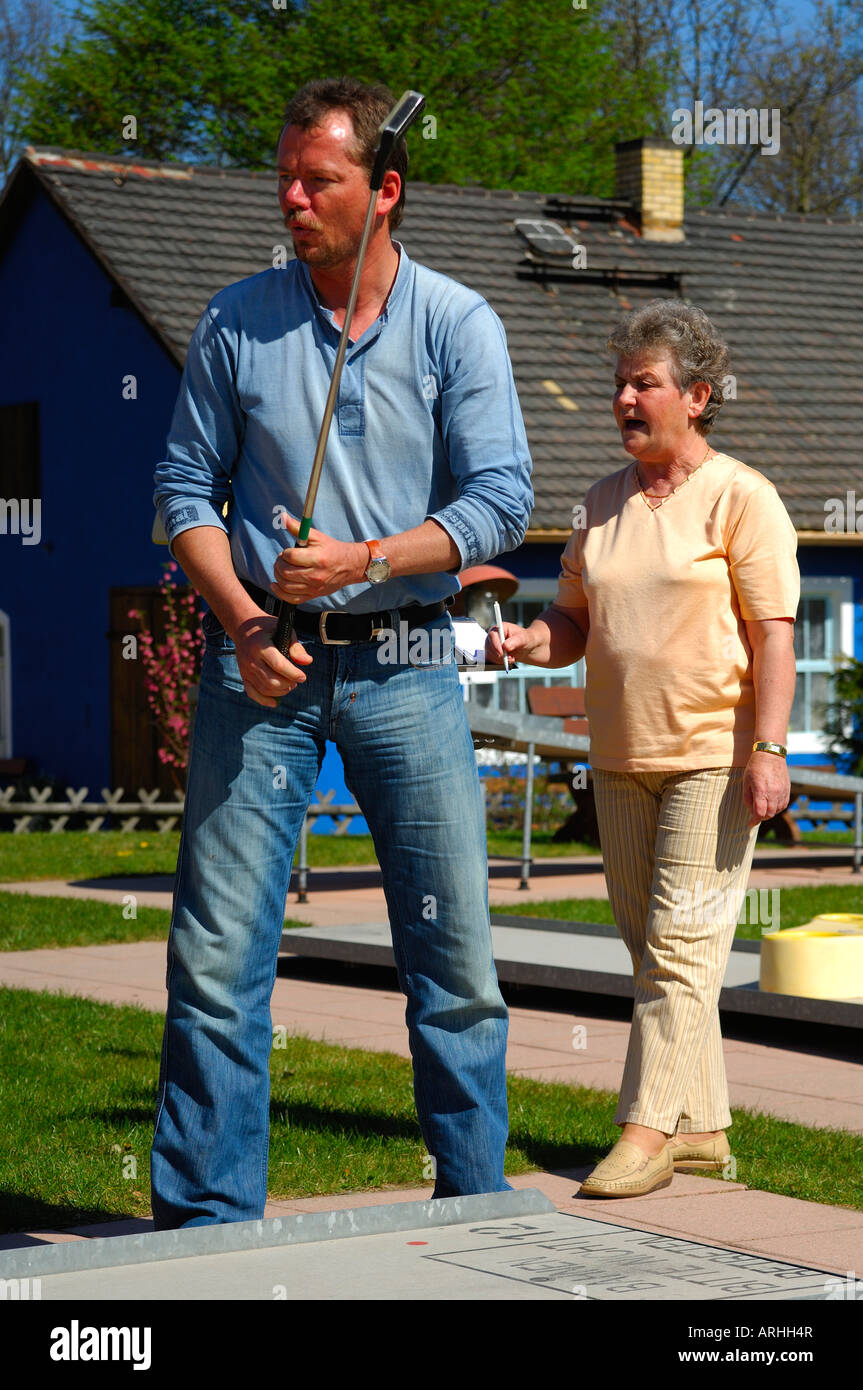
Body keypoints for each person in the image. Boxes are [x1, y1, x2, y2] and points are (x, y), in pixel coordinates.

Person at [151, 77, 533, 1227]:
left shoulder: (457, 323)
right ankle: (206, 1229)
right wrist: (244, 618)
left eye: (319, 178)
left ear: (385, 192)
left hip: (408, 657)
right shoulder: (235, 319)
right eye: (286, 175)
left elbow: (500, 502)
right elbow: (182, 490)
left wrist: (367, 556)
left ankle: (473, 1207)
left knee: (453, 957)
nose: (293, 196)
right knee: (217, 963)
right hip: (259, 667)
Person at [489, 300, 799, 1198]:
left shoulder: (742, 497)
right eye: (618, 385)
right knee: (655, 952)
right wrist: (525, 643)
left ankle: (644, 1135)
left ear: (696, 396)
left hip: (713, 754)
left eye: (644, 384)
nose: (624, 398)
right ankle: (701, 1127)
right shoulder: (599, 504)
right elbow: (572, 623)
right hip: (619, 761)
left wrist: (769, 748)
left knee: (680, 948)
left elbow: (772, 634)